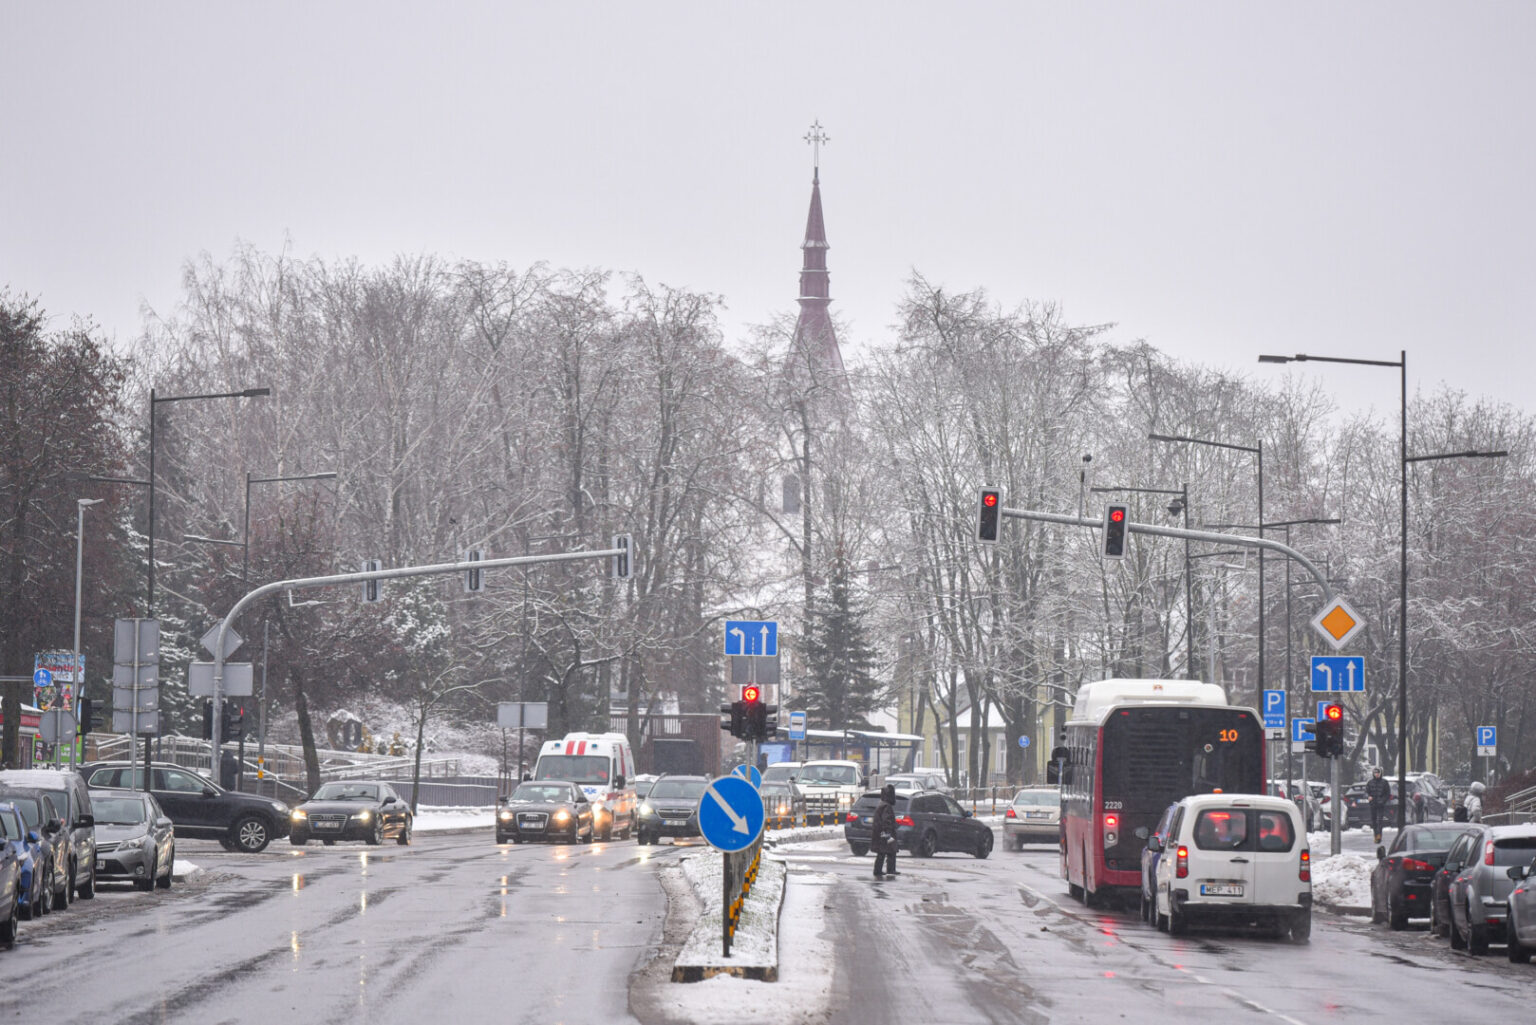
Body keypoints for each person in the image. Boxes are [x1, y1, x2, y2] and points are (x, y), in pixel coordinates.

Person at [871, 783, 899, 879]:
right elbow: (886, 820)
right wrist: (888, 833)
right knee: (891, 850)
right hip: (885, 833)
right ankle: (890, 869)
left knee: (882, 852)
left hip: (880, 833)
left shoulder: (882, 805)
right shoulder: (887, 806)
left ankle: (878, 870)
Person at [1364, 767, 1391, 843]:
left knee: (1379, 821)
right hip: (1373, 805)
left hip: (1381, 805)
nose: (1377, 774)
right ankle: (1376, 835)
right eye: (1375, 773)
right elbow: (1366, 792)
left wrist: (1382, 801)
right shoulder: (1370, 782)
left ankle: (1379, 836)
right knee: (1374, 821)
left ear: (1380, 773)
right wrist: (1368, 796)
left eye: (1378, 773)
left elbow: (1387, 794)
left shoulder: (1384, 782)